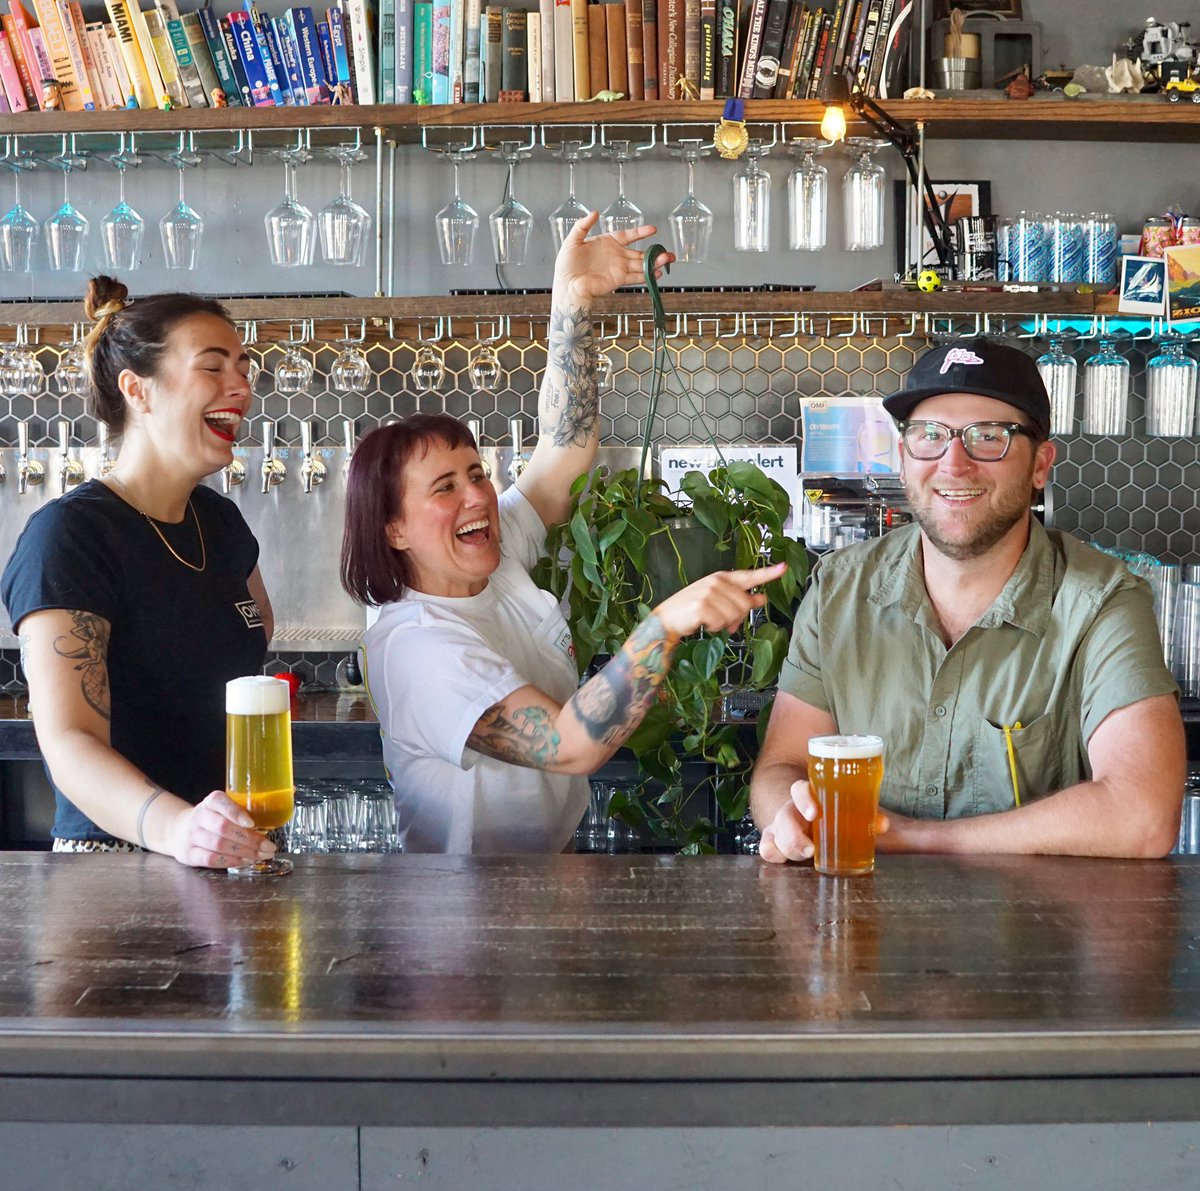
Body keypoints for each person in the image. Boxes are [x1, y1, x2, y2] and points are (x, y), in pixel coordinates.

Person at [342, 214, 786, 853]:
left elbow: (566, 448)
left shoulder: (495, 562)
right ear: (394, 529)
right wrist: (664, 624)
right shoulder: (417, 647)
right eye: (445, 488)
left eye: (477, 474)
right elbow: (569, 746)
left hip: (537, 882)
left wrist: (571, 303)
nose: (478, 496)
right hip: (463, 923)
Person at [752, 338, 1185, 862]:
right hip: (857, 929)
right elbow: (783, 767)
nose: (953, 464)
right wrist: (789, 813)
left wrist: (916, 838)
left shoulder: (1102, 601)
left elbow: (1142, 816)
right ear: (905, 455)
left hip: (1032, 936)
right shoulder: (840, 588)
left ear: (1041, 464)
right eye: (928, 435)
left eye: (988, 437)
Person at [1, 277, 278, 868]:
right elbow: (69, 741)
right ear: (138, 390)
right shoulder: (70, 537)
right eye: (214, 367)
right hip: (115, 865)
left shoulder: (222, 524)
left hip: (224, 850)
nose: (242, 387)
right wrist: (180, 830)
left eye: (243, 366)